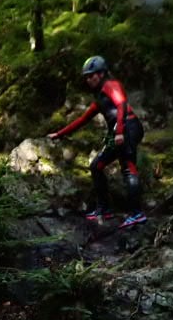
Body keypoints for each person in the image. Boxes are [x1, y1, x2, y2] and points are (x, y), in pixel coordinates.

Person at [47, 55, 147, 229]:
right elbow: (82, 119)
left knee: (128, 167)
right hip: (118, 132)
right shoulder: (100, 98)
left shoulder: (111, 85)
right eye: (86, 77)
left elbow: (122, 104)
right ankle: (104, 209)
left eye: (91, 75)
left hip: (128, 128)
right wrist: (59, 134)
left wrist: (120, 132)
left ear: (101, 73)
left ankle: (136, 213)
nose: (88, 79)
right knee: (97, 166)